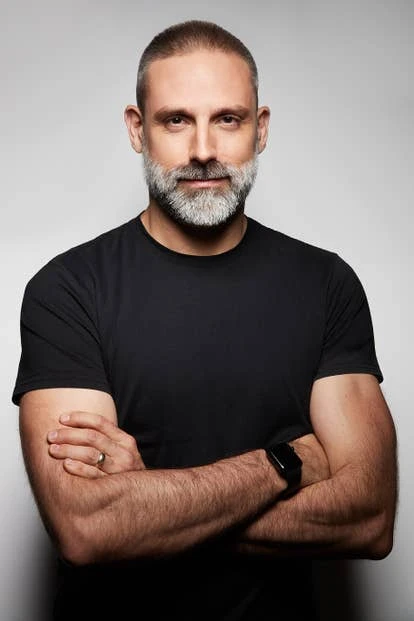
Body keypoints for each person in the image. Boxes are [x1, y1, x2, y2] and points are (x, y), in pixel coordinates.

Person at [13, 19, 397, 621]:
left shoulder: (326, 284)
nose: (202, 150)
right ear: (137, 129)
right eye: (175, 120)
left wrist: (151, 501)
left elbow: (370, 519)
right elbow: (87, 528)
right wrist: (286, 463)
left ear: (260, 129)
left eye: (228, 119)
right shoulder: (67, 291)